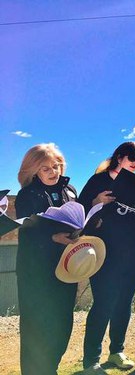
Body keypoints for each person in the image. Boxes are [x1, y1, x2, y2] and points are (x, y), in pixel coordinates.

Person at [79, 141, 135, 374]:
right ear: (119, 157)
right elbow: (78, 211)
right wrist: (95, 202)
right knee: (103, 303)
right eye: (132, 157)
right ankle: (91, 360)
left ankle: (116, 351)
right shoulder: (98, 181)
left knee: (124, 302)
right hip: (104, 252)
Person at [15, 144, 78, 375]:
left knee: (62, 325)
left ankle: (51, 368)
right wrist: (53, 237)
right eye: (45, 168)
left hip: (67, 266)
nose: (54, 172)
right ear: (33, 171)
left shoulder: (70, 190)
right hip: (36, 271)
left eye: (56, 166)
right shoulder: (27, 195)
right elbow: (27, 232)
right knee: (37, 327)